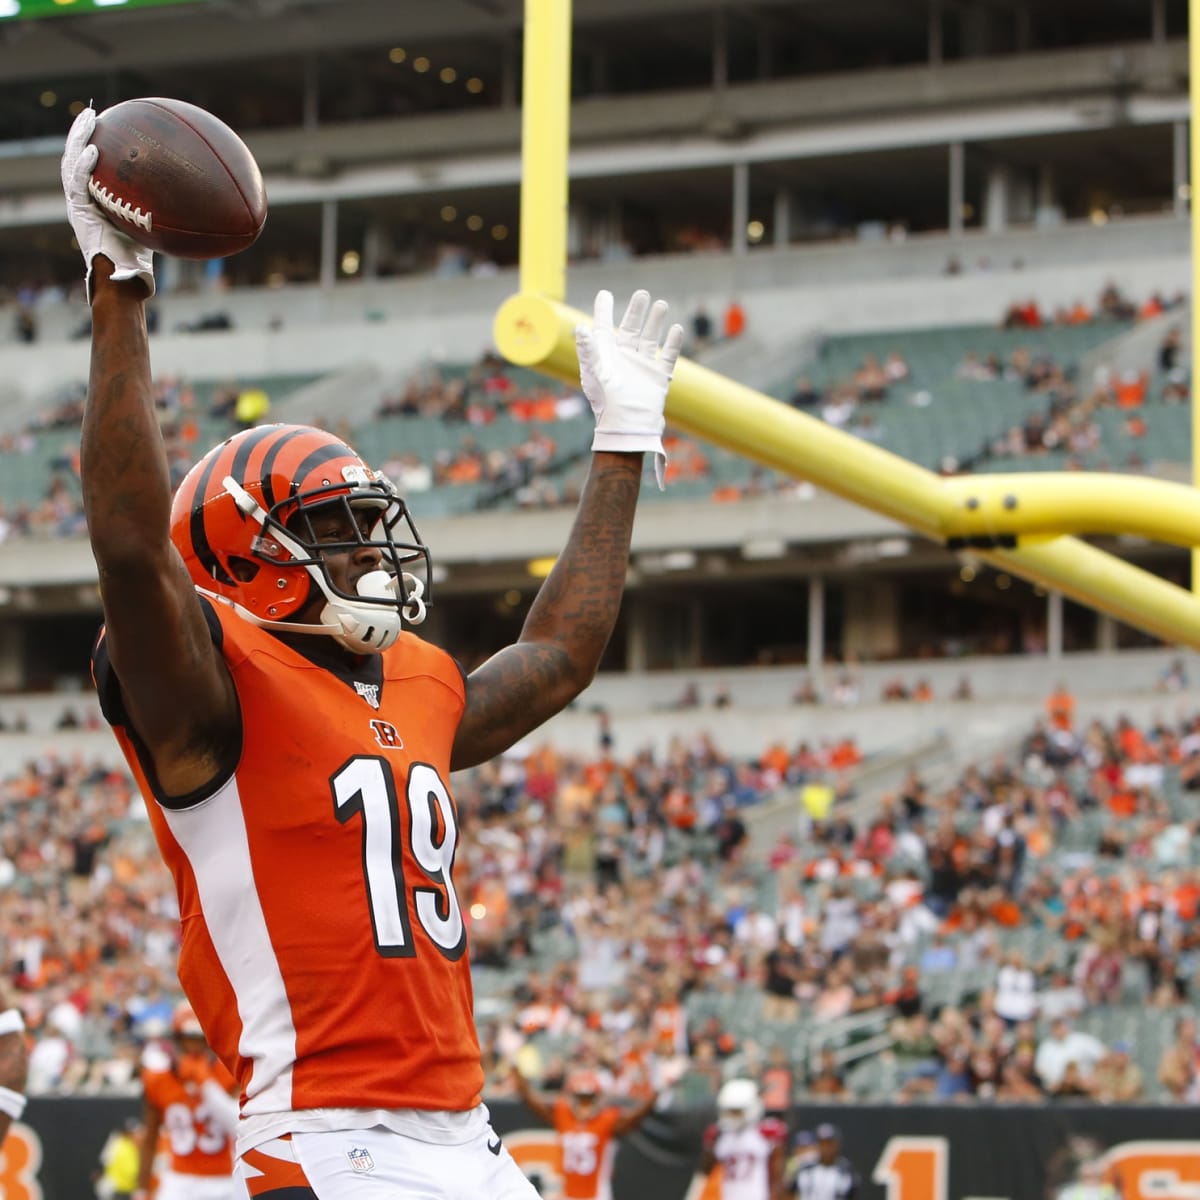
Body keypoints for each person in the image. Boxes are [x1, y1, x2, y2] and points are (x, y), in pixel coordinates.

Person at [62, 104, 682, 1200]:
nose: (370, 553)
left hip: (467, 1137)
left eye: (365, 522)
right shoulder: (212, 691)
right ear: (246, 557)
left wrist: (622, 443)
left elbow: (559, 655)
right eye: (334, 530)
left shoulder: (417, 679)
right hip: (326, 1136)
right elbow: (125, 537)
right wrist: (119, 287)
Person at [134, 1003, 240, 1200]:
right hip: (179, 1182)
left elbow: (239, 1126)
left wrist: (206, 1084)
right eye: (188, 1039)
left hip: (225, 1181)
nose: (194, 1047)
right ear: (177, 1041)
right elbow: (150, 1139)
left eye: (200, 1039)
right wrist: (141, 1190)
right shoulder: (158, 1080)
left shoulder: (228, 1075)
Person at [510, 1067, 658, 1200]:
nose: (584, 1106)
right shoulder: (563, 1114)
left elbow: (634, 1118)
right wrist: (521, 1085)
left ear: (598, 1099)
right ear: (572, 1097)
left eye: (589, 1099)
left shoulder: (607, 1119)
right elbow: (537, 1105)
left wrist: (654, 1096)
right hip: (569, 1193)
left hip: (596, 1195)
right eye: (580, 1099)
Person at [697, 1079, 787, 1200]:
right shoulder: (720, 1134)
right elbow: (705, 1171)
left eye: (737, 1111)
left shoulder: (764, 1133)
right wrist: (713, 1143)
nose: (732, 1115)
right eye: (730, 1111)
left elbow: (777, 1174)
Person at [791, 1123, 859, 1200]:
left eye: (829, 1144)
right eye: (822, 1144)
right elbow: (790, 1193)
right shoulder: (805, 1169)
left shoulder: (846, 1171)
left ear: (837, 1145)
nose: (826, 1148)